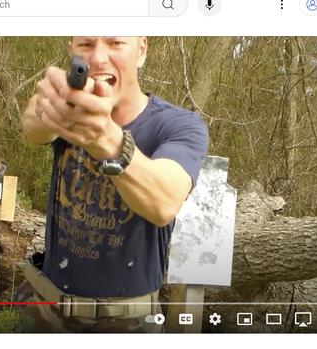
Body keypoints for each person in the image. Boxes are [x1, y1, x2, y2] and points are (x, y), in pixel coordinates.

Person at [16, 36, 208, 333]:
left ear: (141, 51)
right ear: (71, 49)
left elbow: (164, 202)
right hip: (44, 311)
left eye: (116, 43)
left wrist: (104, 137)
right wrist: (49, 113)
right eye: (86, 45)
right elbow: (32, 130)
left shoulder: (180, 125)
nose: (99, 58)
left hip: (126, 324)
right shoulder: (68, 108)